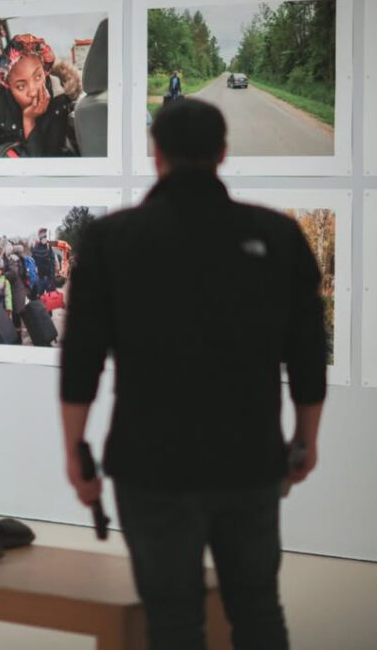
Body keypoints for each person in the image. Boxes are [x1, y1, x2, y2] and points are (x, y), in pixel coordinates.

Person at [59, 99, 327, 650]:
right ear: (223, 153)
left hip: (150, 464)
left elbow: (81, 359)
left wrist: (76, 451)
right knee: (257, 610)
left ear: (155, 153)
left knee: (173, 622)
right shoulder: (278, 236)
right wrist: (305, 440)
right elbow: (305, 352)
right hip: (250, 460)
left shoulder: (113, 239)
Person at [0, 34, 81, 157]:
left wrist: (29, 120)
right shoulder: (0, 99)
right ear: (8, 86)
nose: (33, 92)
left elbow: (45, 161)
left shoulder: (58, 100)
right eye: (21, 86)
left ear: (45, 70)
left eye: (38, 76)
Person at [30, 228, 60, 298]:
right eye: (43, 237)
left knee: (50, 299)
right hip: (40, 278)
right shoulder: (35, 248)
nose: (44, 238)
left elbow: (52, 263)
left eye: (45, 236)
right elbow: (33, 262)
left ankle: (48, 309)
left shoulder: (48, 247)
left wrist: (52, 278)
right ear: (39, 238)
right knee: (40, 298)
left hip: (49, 278)